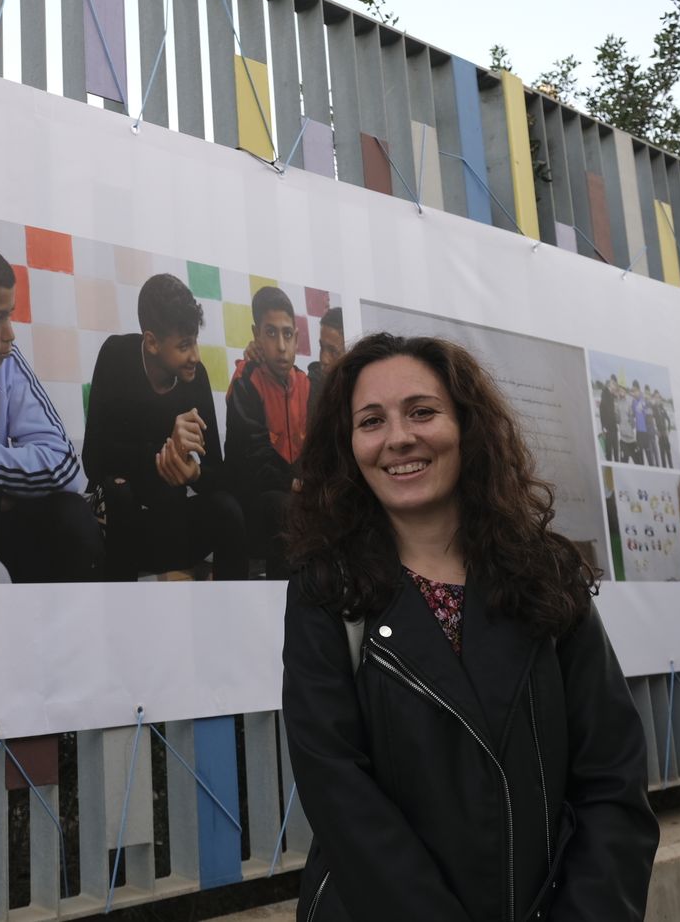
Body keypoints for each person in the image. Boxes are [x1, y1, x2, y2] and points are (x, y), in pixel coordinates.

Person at [282, 332, 658, 921]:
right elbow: (336, 789)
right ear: (348, 445)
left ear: (467, 426)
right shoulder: (327, 590)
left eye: (422, 412)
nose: (398, 438)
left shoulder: (546, 576)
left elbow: (612, 780)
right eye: (371, 421)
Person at [82, 273, 246, 581]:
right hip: (121, 524)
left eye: (195, 341)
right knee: (119, 493)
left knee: (227, 509)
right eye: (184, 345)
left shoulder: (196, 377)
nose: (195, 356)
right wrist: (164, 453)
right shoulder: (116, 355)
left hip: (170, 522)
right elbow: (93, 459)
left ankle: (230, 604)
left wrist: (194, 474)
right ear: (152, 342)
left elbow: (217, 473)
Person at [0, 248, 104, 582]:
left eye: (8, 316)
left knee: (73, 515)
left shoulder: (7, 361)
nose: (9, 334)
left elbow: (63, 463)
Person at [225, 286, 307, 571]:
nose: (281, 346)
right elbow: (254, 464)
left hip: (295, 495)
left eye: (287, 334)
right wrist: (295, 485)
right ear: (256, 334)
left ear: (297, 338)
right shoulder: (246, 381)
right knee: (283, 507)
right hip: (256, 501)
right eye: (271, 333)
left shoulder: (307, 384)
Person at [308, 305, 345, 415]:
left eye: (333, 351)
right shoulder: (311, 387)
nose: (324, 359)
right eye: (321, 347)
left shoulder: (363, 388)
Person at [651, 389, 674, 468]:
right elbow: (652, 421)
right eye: (655, 397)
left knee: (669, 454)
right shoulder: (653, 409)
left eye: (658, 397)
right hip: (660, 436)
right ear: (654, 398)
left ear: (660, 398)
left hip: (665, 435)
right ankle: (664, 468)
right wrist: (656, 431)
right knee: (662, 455)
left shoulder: (663, 409)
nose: (657, 399)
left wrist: (668, 431)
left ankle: (671, 467)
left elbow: (668, 420)